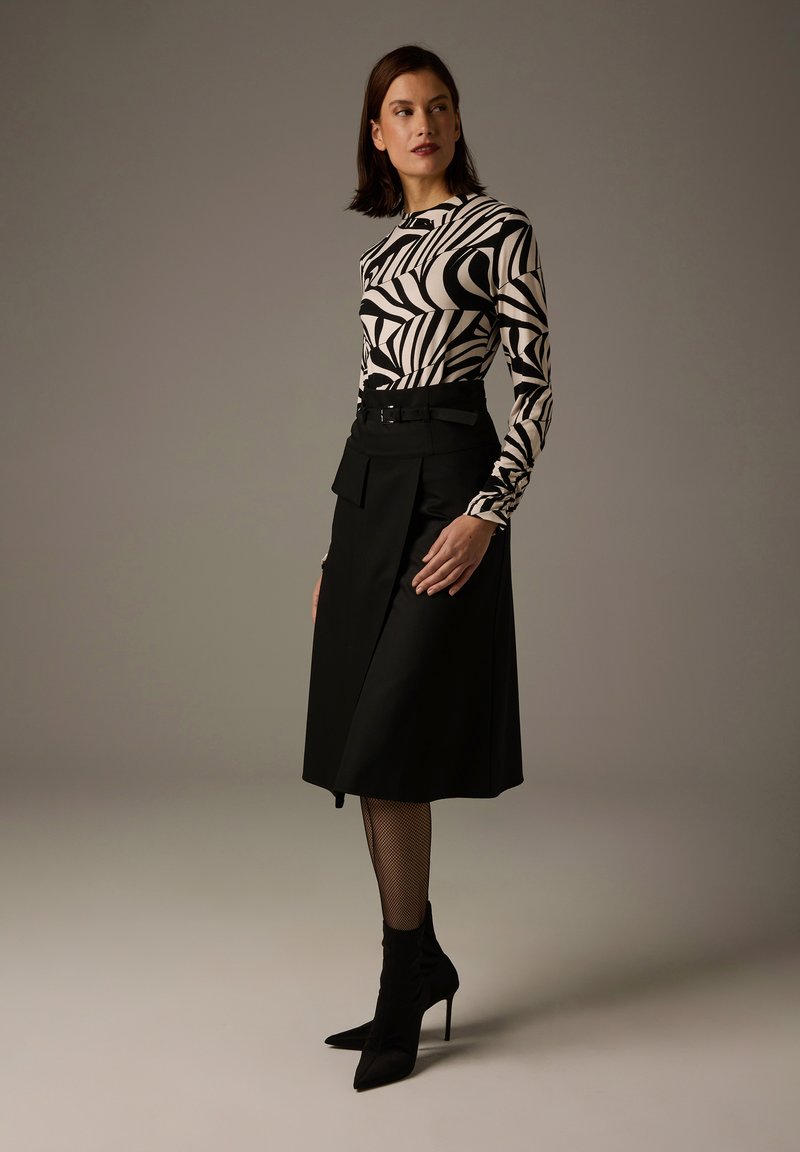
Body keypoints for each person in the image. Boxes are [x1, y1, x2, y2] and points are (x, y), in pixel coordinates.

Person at [301, 44, 553, 1091]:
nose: (422, 123)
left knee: (390, 738)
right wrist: (334, 548)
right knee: (366, 753)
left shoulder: (497, 229)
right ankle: (415, 965)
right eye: (401, 109)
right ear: (374, 132)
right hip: (368, 488)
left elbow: (534, 389)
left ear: (456, 121)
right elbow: (366, 398)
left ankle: (407, 978)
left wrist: (486, 514)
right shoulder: (375, 256)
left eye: (438, 106)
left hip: (449, 481)